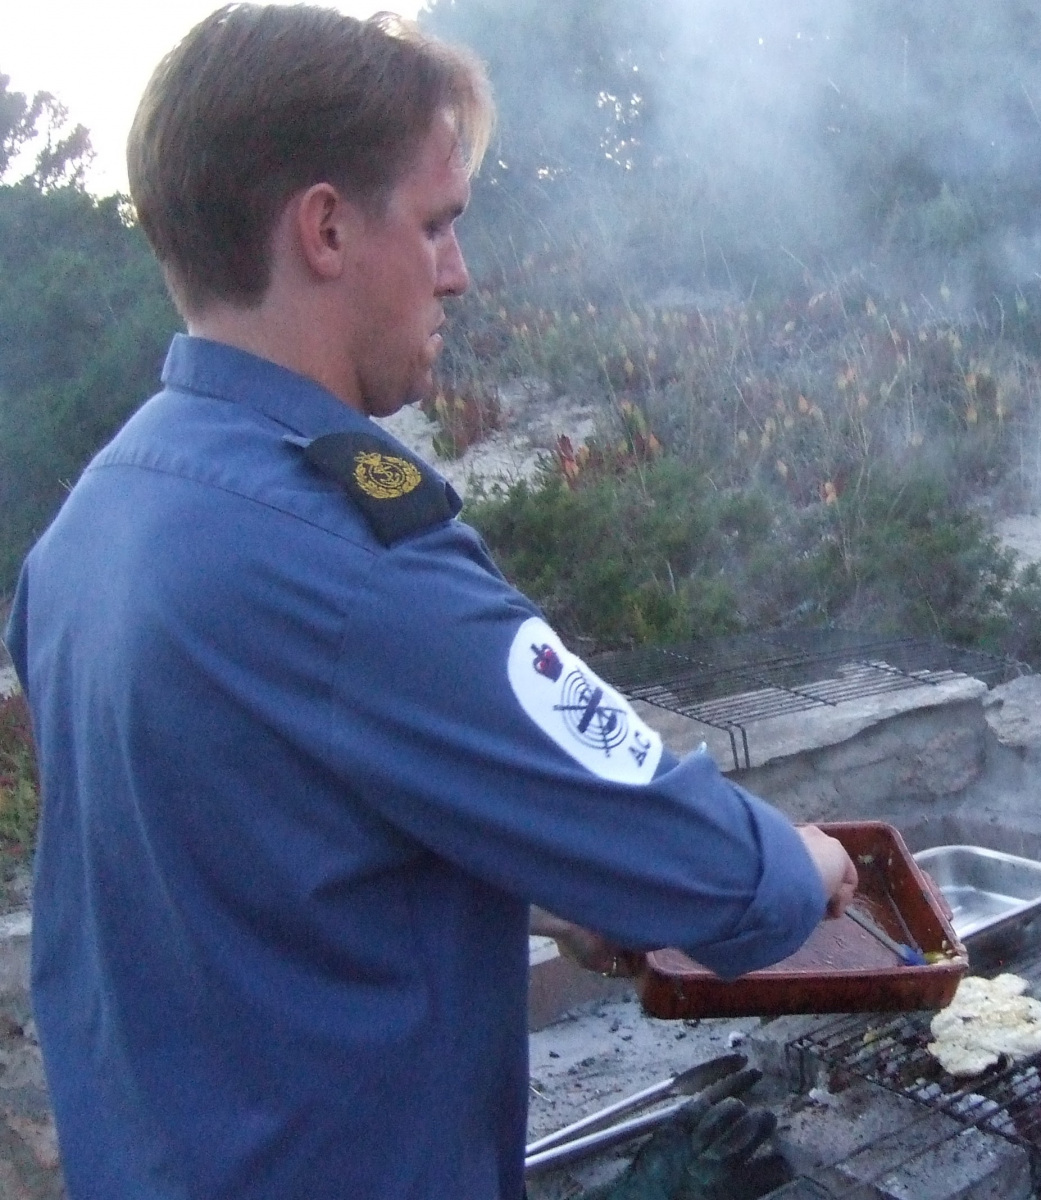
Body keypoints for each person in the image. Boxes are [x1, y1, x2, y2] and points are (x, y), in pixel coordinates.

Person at [0, 6, 856, 1199]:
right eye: (438, 224)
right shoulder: (351, 558)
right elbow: (708, 877)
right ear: (327, 229)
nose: (459, 272)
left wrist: (545, 894)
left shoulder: (93, 522)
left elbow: (255, 860)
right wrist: (801, 865)